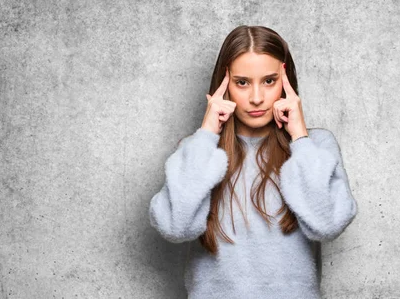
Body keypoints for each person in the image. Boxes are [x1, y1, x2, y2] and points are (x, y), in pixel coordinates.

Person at [148, 25, 358, 299]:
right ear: (223, 86)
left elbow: (327, 224)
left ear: (286, 82)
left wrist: (300, 137)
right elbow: (176, 227)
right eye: (242, 82)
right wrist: (207, 135)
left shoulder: (314, 147)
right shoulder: (197, 150)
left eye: (269, 81)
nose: (256, 98)